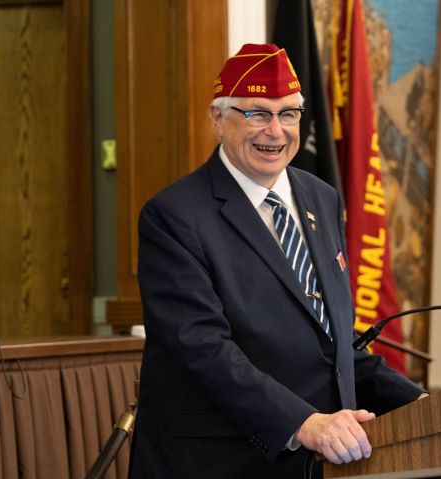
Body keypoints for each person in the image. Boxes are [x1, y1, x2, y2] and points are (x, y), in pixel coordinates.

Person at [129, 43, 425, 479]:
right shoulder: (174, 216)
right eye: (257, 113)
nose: (276, 131)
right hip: (220, 463)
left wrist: (420, 402)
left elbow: (332, 345)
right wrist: (303, 422)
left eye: (288, 114)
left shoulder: (321, 198)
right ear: (217, 118)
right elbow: (203, 349)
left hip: (319, 461)